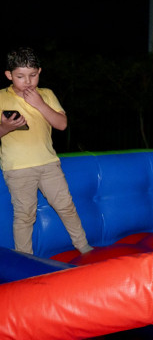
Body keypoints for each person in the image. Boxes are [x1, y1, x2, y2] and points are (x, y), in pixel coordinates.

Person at [0, 47, 93, 255]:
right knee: (25, 215)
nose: (28, 81)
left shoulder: (46, 94)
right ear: (9, 75)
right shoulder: (1, 97)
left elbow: (62, 124)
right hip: (17, 168)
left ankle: (84, 247)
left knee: (66, 205)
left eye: (33, 75)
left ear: (39, 72)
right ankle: (25, 258)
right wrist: (5, 127)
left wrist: (39, 104)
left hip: (48, 163)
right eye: (20, 76)